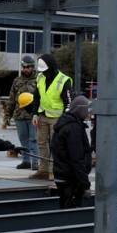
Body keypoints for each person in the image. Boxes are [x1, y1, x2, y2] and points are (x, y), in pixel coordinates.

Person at [34, 53, 73, 181]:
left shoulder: (64, 80)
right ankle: (43, 170)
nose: (44, 73)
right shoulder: (40, 77)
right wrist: (35, 114)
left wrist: (64, 120)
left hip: (57, 118)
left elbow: (68, 102)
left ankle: (53, 171)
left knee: (55, 145)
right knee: (41, 144)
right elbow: (36, 97)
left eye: (45, 71)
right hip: (42, 116)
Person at [51, 95, 93, 208]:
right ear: (81, 110)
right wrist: (85, 184)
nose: (89, 114)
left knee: (64, 205)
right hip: (71, 178)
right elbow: (76, 158)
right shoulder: (73, 128)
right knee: (70, 209)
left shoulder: (66, 124)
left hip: (62, 174)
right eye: (87, 110)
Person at [3, 54, 40, 170]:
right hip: (19, 116)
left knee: (33, 139)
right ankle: (26, 161)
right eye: (24, 67)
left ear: (33, 67)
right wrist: (7, 116)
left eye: (28, 67)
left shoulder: (39, 80)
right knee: (23, 140)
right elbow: (12, 99)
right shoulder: (17, 81)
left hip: (33, 115)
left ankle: (35, 162)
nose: (26, 69)